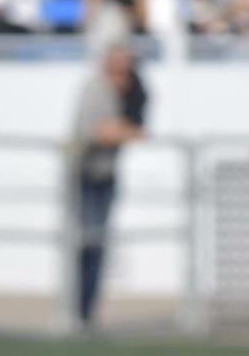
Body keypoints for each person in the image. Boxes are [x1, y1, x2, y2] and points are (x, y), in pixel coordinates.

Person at [69, 44, 147, 330]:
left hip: (104, 176)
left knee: (96, 245)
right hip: (87, 175)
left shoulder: (125, 92)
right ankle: (79, 310)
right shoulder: (96, 89)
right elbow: (99, 132)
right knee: (86, 244)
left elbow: (135, 129)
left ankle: (86, 312)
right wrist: (126, 131)